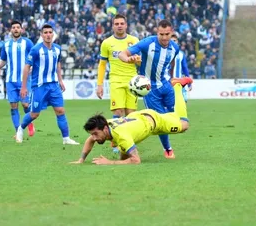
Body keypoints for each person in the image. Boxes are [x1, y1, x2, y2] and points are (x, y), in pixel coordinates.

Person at [71, 77, 192, 165]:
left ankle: (177, 86)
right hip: (138, 118)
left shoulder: (121, 135)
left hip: (154, 121)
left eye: (96, 134)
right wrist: (81, 159)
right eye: (93, 134)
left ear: (105, 128)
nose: (94, 138)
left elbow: (136, 160)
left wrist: (109, 162)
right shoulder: (104, 125)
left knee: (184, 125)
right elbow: (90, 140)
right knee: (123, 158)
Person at [118, 20, 180, 159]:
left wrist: (172, 77)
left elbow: (172, 61)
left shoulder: (175, 47)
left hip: (166, 85)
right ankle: (168, 149)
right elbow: (122, 53)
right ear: (157, 32)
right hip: (150, 88)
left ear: (172, 32)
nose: (164, 37)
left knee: (172, 116)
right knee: (161, 120)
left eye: (167, 34)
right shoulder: (148, 43)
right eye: (161, 34)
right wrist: (129, 59)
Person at [15, 24, 79, 145]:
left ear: (53, 34)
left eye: (50, 32)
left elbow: (58, 64)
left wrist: (60, 80)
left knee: (60, 110)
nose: (48, 35)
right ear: (41, 35)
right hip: (39, 86)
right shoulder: (35, 50)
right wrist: (24, 87)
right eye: (45, 33)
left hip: (54, 85)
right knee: (34, 114)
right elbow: (27, 67)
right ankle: (21, 128)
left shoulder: (57, 49)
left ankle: (66, 138)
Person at [96, 14, 140, 152]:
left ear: (126, 25)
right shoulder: (107, 43)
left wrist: (135, 60)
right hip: (116, 81)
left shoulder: (134, 40)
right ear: (113, 25)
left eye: (122, 23)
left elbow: (140, 61)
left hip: (132, 81)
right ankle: (115, 141)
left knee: (131, 114)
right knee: (118, 112)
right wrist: (99, 84)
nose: (119, 25)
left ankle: (128, 141)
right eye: (117, 23)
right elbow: (102, 64)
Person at [0, 20, 35, 137]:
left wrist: (32, 67)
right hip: (10, 80)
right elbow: (3, 61)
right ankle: (18, 131)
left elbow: (34, 57)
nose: (16, 29)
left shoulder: (27, 43)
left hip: (24, 79)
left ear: (21, 30)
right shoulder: (6, 44)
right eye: (14, 27)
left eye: (18, 27)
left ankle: (30, 124)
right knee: (13, 106)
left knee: (26, 105)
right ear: (11, 30)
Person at [171, 34, 191, 102]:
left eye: (174, 40)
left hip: (179, 81)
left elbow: (185, 68)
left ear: (177, 42)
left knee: (183, 100)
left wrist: (189, 83)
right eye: (171, 40)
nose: (173, 42)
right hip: (168, 82)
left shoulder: (181, 54)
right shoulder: (164, 53)